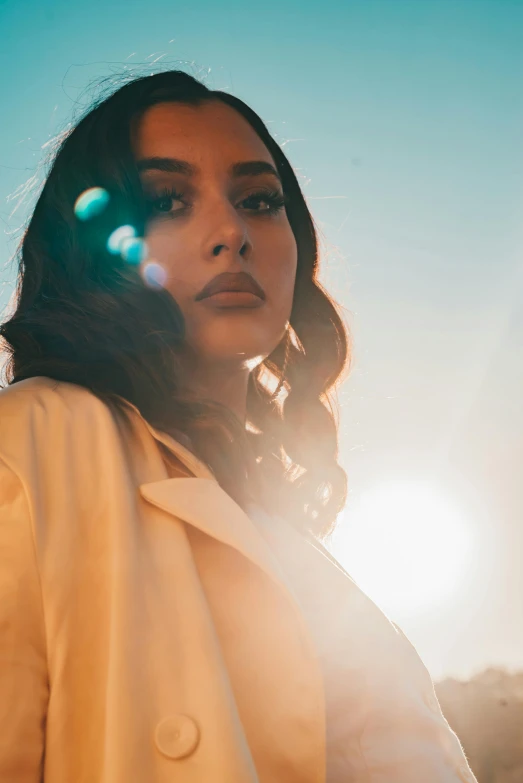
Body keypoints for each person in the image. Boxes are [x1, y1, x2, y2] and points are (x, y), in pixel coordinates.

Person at [0, 69, 477, 782]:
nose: (230, 233)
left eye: (259, 200)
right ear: (90, 250)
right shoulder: (34, 443)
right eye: (167, 200)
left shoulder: (291, 537)